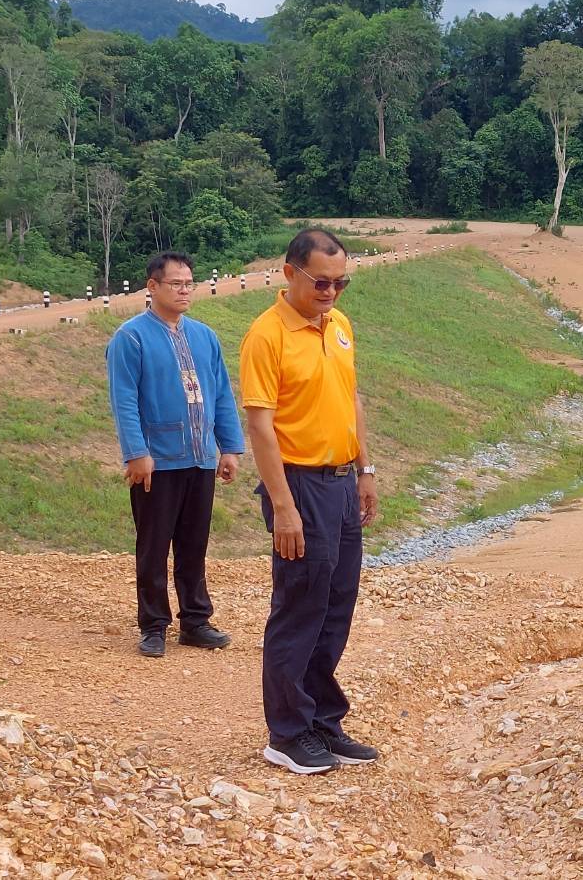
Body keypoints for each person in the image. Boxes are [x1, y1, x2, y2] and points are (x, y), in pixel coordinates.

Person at [240, 228, 380, 775]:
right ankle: (287, 732)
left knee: (336, 606)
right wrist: (283, 506)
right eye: (321, 282)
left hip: (342, 482)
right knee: (300, 607)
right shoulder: (266, 336)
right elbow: (260, 425)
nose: (331, 293)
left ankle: (323, 719)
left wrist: (364, 470)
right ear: (290, 272)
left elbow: (350, 399)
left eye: (341, 283)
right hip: (299, 484)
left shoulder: (339, 326)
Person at [107, 251, 244, 659]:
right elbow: (124, 400)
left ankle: (195, 621)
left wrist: (230, 447)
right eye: (175, 284)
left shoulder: (204, 336)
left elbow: (221, 393)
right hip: (157, 461)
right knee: (153, 545)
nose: (185, 291)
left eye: (189, 283)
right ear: (152, 287)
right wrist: (136, 453)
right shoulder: (131, 337)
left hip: (200, 457)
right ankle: (153, 626)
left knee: (193, 544)